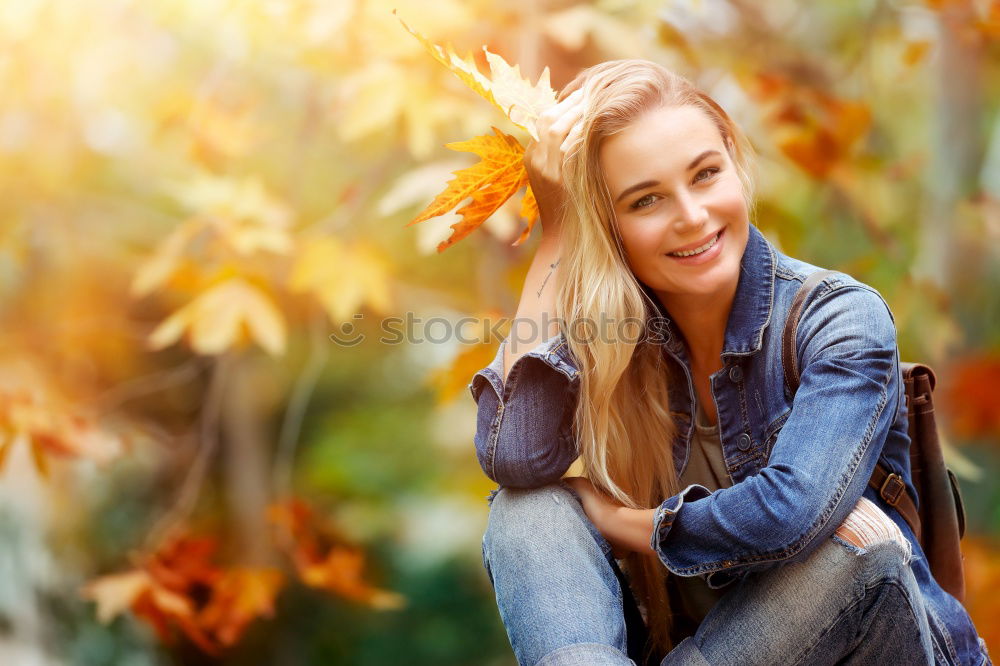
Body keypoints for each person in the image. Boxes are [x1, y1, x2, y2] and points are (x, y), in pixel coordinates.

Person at [468, 59, 991, 666]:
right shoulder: (614, 338)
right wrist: (557, 231)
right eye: (646, 201)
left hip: (870, 642)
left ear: (736, 171)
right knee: (526, 511)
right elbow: (514, 456)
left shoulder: (840, 317)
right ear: (608, 229)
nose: (691, 215)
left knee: (851, 543)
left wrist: (624, 521)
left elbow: (789, 515)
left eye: (706, 174)